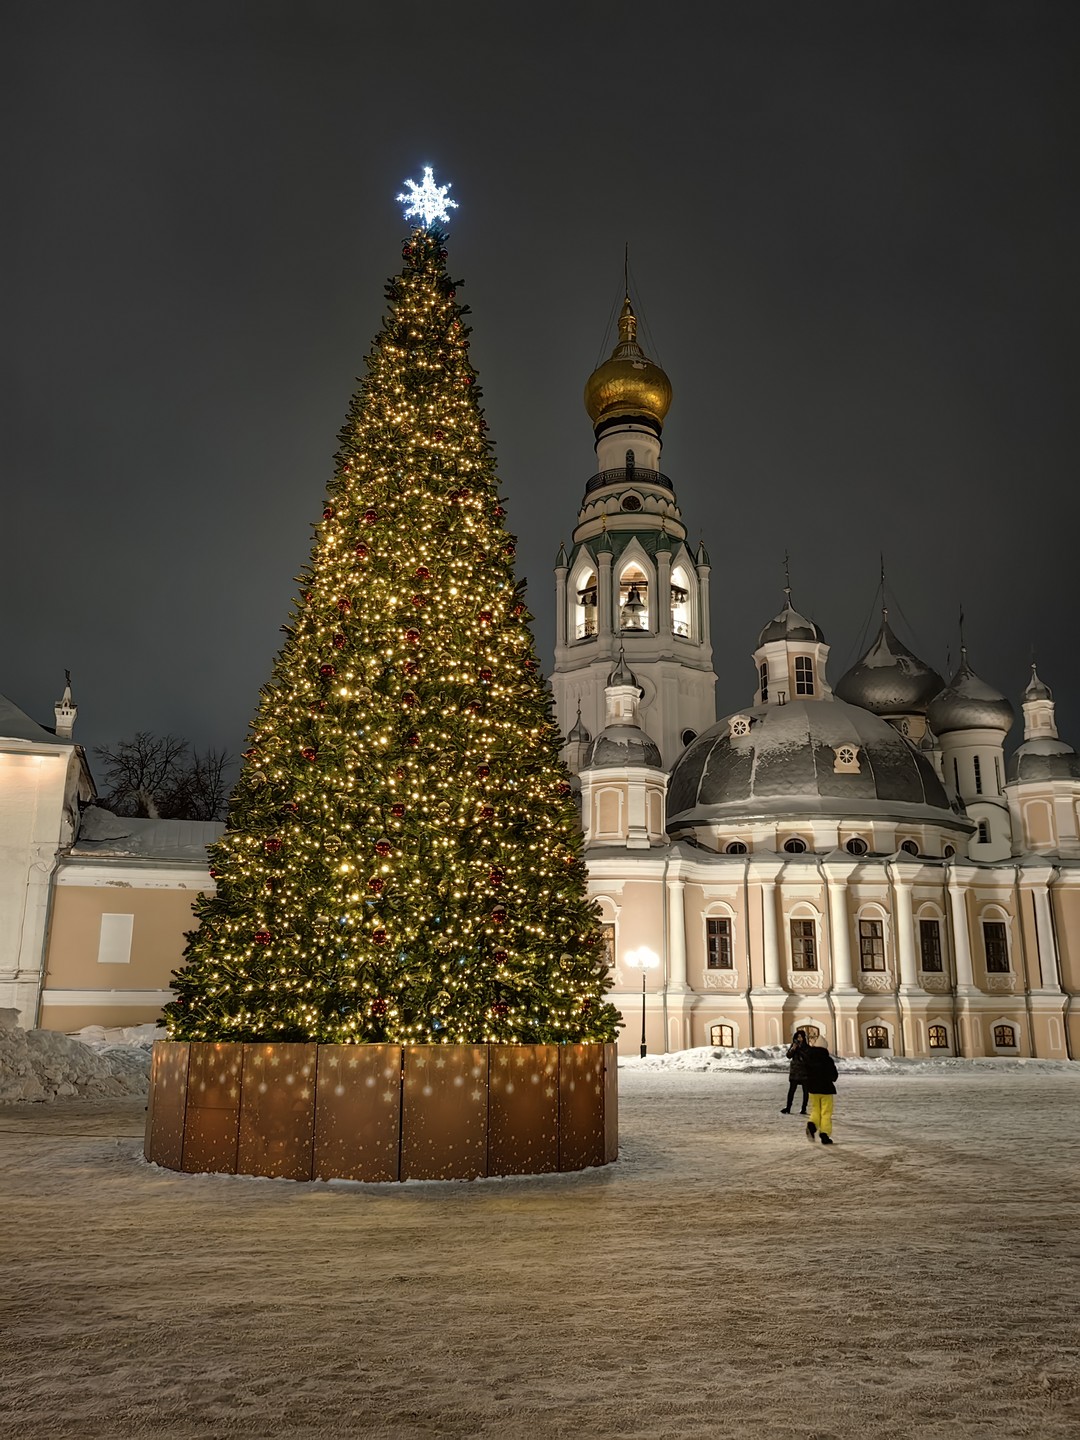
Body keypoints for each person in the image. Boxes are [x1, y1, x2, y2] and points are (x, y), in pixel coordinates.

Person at [801, 1038, 838, 1145]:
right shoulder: (828, 1060)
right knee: (826, 1112)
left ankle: (812, 1125)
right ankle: (824, 1134)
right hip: (826, 1089)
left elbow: (805, 1073)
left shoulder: (809, 1059)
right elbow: (834, 1076)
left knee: (815, 1109)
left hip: (812, 1089)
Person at [781, 1030, 810, 1115]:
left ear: (804, 1038)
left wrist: (800, 1050)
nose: (799, 1038)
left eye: (801, 1037)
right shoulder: (793, 1046)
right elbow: (788, 1056)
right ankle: (788, 1107)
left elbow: (807, 1058)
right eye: (798, 1037)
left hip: (804, 1072)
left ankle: (803, 1108)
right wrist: (793, 1048)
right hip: (795, 1072)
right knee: (791, 1090)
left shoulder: (806, 1047)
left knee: (805, 1091)